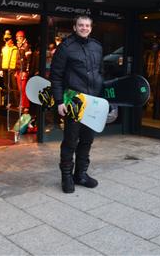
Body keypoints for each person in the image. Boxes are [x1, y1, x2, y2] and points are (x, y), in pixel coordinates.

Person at [50, 15, 103, 194]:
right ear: (74, 27)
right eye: (81, 25)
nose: (84, 28)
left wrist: (102, 99)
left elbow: (100, 72)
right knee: (70, 141)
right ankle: (66, 177)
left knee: (87, 140)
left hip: (92, 102)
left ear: (91, 28)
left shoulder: (97, 46)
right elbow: (56, 76)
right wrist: (59, 101)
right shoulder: (65, 47)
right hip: (73, 100)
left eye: (87, 25)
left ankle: (81, 174)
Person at [0, 30, 18, 107]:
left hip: (12, 69)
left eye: (8, 39)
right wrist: (0, 69)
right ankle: (9, 102)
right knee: (7, 86)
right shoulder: (3, 48)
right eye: (6, 40)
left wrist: (16, 69)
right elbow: (1, 59)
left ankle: (16, 103)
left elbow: (17, 59)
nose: (7, 41)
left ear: (11, 40)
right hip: (5, 69)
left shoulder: (15, 48)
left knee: (14, 86)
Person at [14, 30, 32, 110]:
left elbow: (29, 60)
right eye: (17, 37)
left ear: (23, 37)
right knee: (20, 89)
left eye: (20, 37)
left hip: (23, 70)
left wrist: (26, 71)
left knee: (24, 89)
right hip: (19, 70)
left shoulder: (26, 46)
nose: (18, 39)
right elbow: (17, 59)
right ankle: (22, 104)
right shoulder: (19, 46)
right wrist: (16, 70)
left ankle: (26, 106)